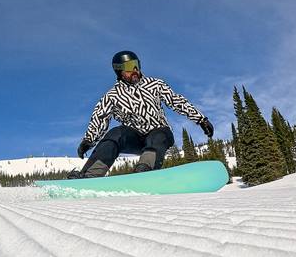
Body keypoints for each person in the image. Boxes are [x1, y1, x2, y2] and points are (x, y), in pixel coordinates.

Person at [68, 50, 213, 179]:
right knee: (115, 133)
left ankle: (145, 169)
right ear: (120, 71)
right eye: (130, 67)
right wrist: (88, 141)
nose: (135, 70)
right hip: (135, 137)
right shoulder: (112, 96)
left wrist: (201, 119)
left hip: (159, 132)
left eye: (136, 65)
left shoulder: (155, 84)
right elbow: (99, 118)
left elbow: (176, 101)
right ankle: (90, 175)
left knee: (157, 136)